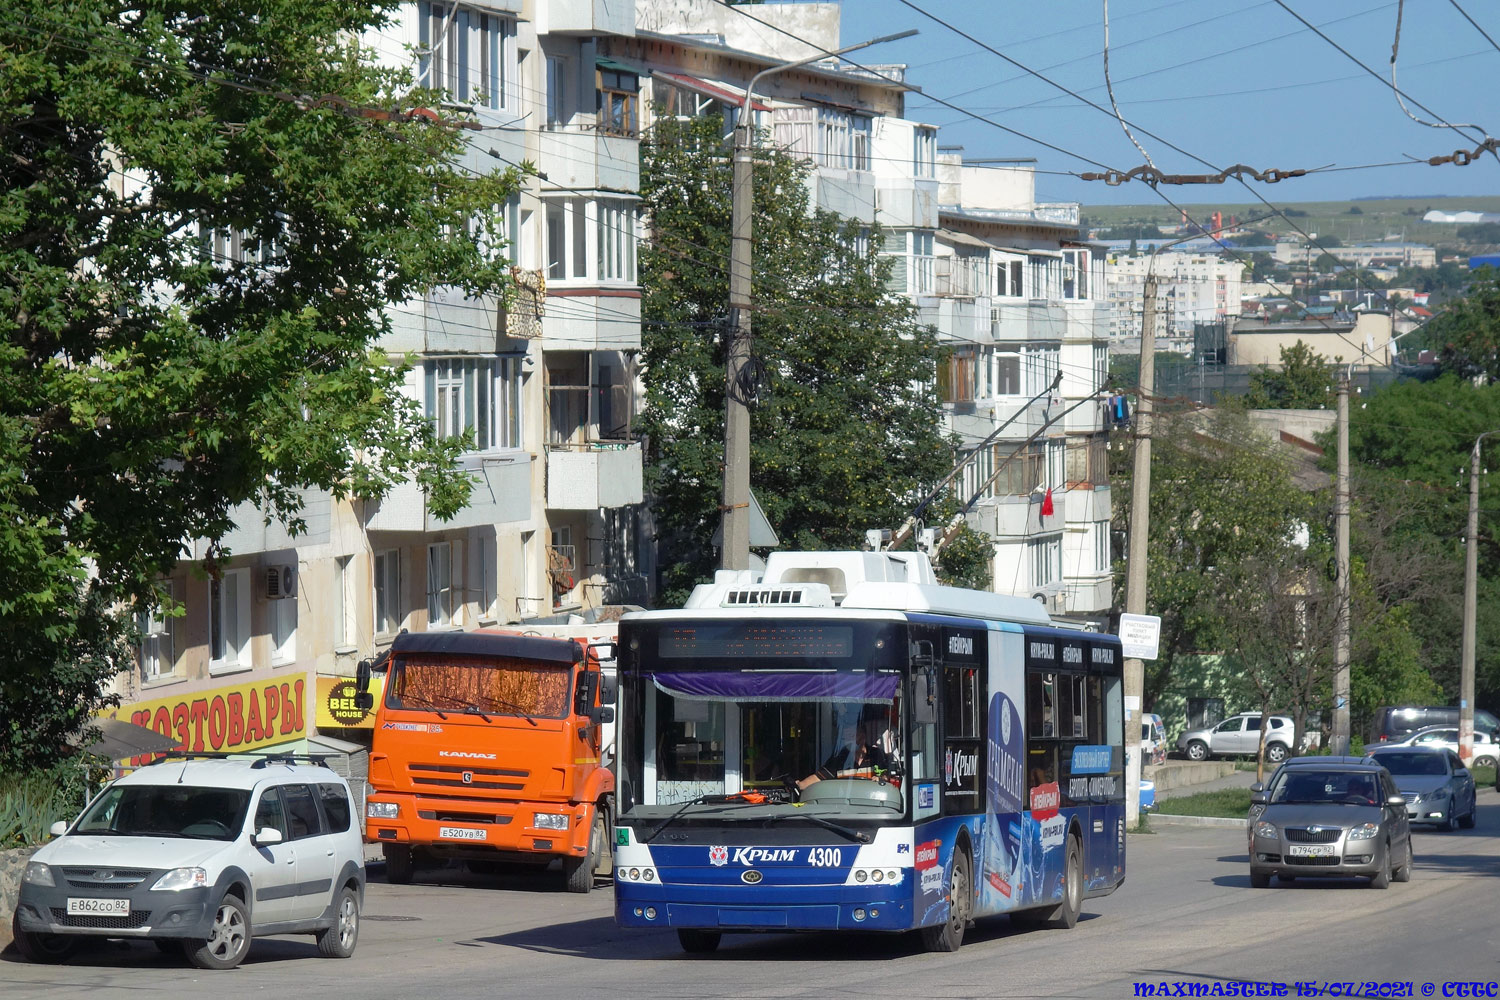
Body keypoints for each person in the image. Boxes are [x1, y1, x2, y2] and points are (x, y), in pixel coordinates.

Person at [797, 715, 895, 791]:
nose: (849, 740)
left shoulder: (876, 754)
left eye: (852, 735)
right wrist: (800, 785)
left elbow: (889, 776)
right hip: (845, 808)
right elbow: (818, 777)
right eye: (846, 736)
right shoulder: (840, 757)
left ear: (863, 736)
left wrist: (881, 778)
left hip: (871, 805)